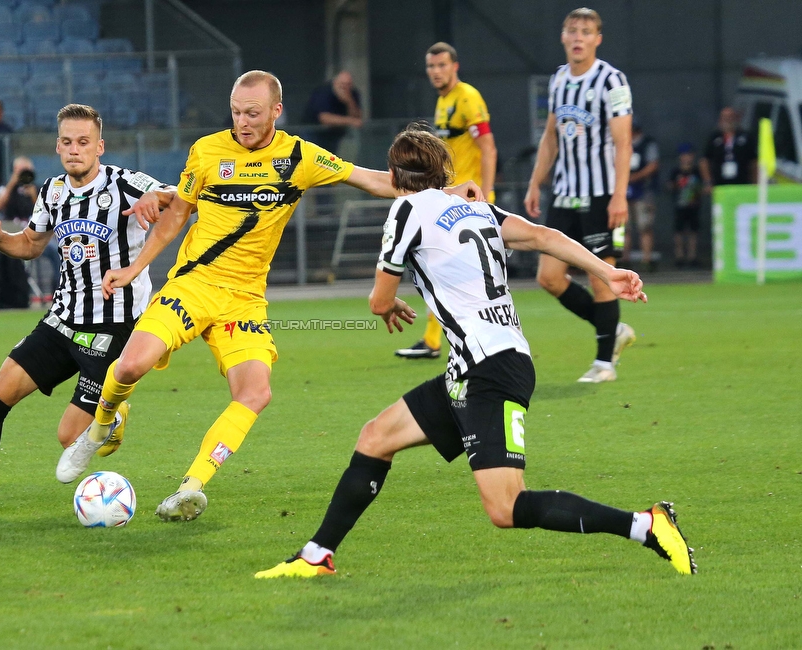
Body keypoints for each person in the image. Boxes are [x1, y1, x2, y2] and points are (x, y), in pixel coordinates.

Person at [255, 126, 695, 580]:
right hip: (480, 365)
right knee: (375, 438)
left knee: (506, 506)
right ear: (443, 172)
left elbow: (379, 300)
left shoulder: (406, 209)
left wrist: (390, 305)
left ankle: (646, 526)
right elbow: (542, 236)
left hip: (488, 370)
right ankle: (316, 555)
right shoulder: (472, 207)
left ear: (393, 174)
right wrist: (607, 270)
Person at [53, 71, 482, 523]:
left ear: (276, 111)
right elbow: (178, 212)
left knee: (255, 393)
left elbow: (373, 180)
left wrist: (445, 192)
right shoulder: (206, 151)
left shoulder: (300, 156)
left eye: (252, 113)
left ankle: (191, 487)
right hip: (193, 285)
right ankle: (101, 427)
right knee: (130, 366)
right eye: (236, 111)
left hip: (244, 300)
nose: (242, 121)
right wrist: (135, 269)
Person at [0, 104, 174, 516]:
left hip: (111, 328)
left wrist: (156, 195)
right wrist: (1, 237)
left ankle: (112, 416)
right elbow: (31, 245)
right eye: (68, 142)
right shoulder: (53, 191)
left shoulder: (125, 183)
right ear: (58, 146)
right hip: (61, 320)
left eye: (84, 142)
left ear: (99, 147)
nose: (75, 150)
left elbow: (182, 199)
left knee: (67, 437)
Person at [523, 7, 637, 384]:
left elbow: (623, 143)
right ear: (563, 36)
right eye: (572, 30)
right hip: (565, 194)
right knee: (549, 277)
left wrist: (620, 195)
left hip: (601, 193)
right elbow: (551, 137)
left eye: (586, 32)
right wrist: (536, 182)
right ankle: (613, 330)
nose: (578, 38)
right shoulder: (558, 80)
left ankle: (604, 364)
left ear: (597, 39)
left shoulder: (612, 81)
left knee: (599, 275)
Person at [397, 41, 498, 360]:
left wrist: (488, 194)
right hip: (451, 199)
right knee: (442, 269)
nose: (436, 72)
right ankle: (434, 340)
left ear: (455, 66)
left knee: (465, 277)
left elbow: (488, 147)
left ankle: (479, 341)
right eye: (431, 66)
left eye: (442, 65)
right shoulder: (444, 102)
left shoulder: (467, 97)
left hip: (470, 201)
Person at [0, 156, 37, 309]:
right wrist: (12, 183)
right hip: (13, 230)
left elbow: (46, 212)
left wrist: (33, 195)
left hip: (36, 234)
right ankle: (9, 294)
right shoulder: (7, 188)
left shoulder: (38, 189)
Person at [623, 120, 659, 271]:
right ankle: (624, 259)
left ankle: (646, 259)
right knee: (623, 228)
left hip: (643, 190)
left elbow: (653, 165)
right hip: (623, 191)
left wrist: (635, 177)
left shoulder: (647, 144)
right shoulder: (621, 142)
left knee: (645, 226)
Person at [302, 70, 363, 154]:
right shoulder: (324, 92)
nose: (345, 88)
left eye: (348, 84)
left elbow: (358, 117)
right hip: (314, 133)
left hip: (336, 135)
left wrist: (349, 102)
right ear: (335, 83)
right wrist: (350, 121)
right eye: (342, 84)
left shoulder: (353, 93)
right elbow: (325, 118)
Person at [699, 106, 756, 189]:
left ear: (735, 118)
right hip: (719, 184)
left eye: (730, 117)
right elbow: (704, 161)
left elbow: (754, 161)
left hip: (742, 183)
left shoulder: (745, 137)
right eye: (725, 117)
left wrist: (755, 181)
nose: (728, 120)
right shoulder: (714, 138)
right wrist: (707, 181)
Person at [669, 142, 704, 268]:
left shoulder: (696, 171)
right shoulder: (676, 172)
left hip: (693, 205)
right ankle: (679, 256)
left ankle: (692, 256)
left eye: (689, 155)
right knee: (679, 232)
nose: (686, 158)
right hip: (680, 205)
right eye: (684, 155)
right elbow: (669, 185)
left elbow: (702, 187)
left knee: (693, 232)